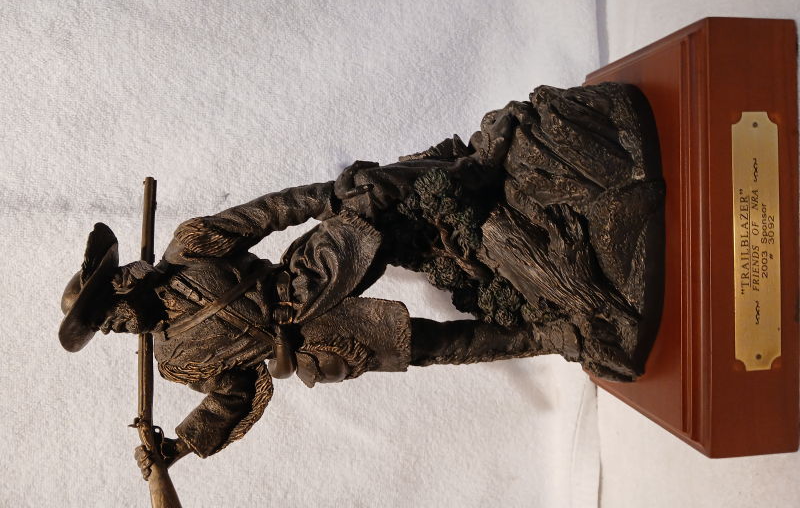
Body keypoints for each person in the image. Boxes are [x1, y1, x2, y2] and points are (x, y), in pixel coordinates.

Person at [59, 82, 661, 478]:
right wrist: (182, 445)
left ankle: (477, 170)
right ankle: (553, 335)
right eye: (103, 328)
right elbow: (234, 396)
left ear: (123, 283)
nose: (113, 327)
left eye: (105, 313)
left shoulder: (188, 247)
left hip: (311, 271)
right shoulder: (176, 361)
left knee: (380, 196)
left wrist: (331, 196)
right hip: (313, 342)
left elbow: (268, 213)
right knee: (430, 345)